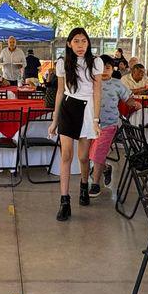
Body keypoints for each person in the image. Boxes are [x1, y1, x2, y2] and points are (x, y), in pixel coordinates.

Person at [50, 27, 104, 221]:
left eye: (83, 41)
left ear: (88, 43)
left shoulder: (96, 62)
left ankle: (83, 185)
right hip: (68, 108)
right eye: (76, 41)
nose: (80, 45)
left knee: (83, 157)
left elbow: (97, 91)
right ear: (69, 44)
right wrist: (54, 120)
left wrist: (96, 119)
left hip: (88, 110)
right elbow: (59, 92)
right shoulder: (63, 63)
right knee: (66, 155)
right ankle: (64, 201)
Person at [86, 63, 134, 198]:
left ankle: (95, 184)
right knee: (91, 153)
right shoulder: (91, 82)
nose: (104, 71)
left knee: (97, 153)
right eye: (101, 68)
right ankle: (106, 168)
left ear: (113, 69)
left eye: (107, 68)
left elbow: (128, 98)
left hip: (109, 125)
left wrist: (135, 103)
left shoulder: (118, 84)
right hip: (90, 124)